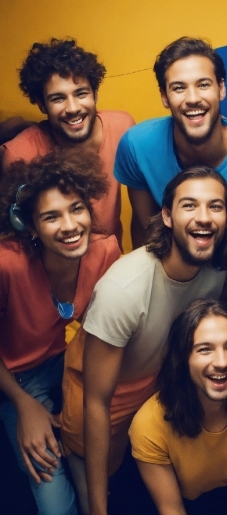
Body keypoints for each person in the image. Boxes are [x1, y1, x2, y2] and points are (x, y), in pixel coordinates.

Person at [59, 166, 227, 515]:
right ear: (166, 215)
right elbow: (96, 403)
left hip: (163, 387)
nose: (204, 218)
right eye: (189, 206)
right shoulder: (124, 290)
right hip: (105, 400)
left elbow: (209, 332)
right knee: (105, 495)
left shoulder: (213, 264)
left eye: (215, 207)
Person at [114, 37, 227, 332]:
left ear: (221, 88)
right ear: (165, 97)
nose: (192, 98)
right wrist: (170, 281)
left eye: (203, 84)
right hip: (167, 257)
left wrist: (204, 273)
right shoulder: (136, 145)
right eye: (179, 87)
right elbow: (145, 227)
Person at [0, 149, 120, 515]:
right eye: (51, 217)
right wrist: (25, 407)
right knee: (55, 504)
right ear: (30, 227)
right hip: (14, 378)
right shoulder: (8, 264)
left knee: (92, 446)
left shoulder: (105, 251)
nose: (69, 226)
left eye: (77, 209)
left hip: (62, 359)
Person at [129, 299, 227, 515]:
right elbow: (172, 509)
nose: (221, 362)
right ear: (182, 359)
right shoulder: (149, 425)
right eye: (205, 349)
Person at [1, 37, 135, 245]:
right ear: (42, 105)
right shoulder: (19, 153)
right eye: (58, 98)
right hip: (51, 266)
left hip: (110, 262)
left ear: (95, 94)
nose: (73, 108)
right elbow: (18, 237)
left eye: (81, 93)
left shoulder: (122, 127)